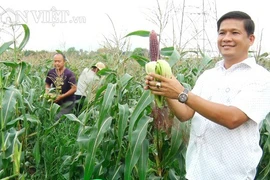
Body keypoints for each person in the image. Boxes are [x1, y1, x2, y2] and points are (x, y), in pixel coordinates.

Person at [145, 11, 270, 179]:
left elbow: (232, 118)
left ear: (251, 39)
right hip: (197, 172)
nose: (226, 38)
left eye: (235, 33)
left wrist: (181, 93)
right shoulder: (208, 76)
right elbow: (185, 114)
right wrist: (165, 86)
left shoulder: (260, 77)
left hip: (230, 176)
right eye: (222, 33)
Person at [45, 53, 77, 120]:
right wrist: (47, 92)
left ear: (64, 62)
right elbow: (47, 83)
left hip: (68, 101)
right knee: (49, 116)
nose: (56, 63)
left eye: (59, 61)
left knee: (57, 118)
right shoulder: (51, 72)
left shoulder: (69, 74)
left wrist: (62, 96)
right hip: (56, 101)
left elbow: (74, 88)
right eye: (55, 61)